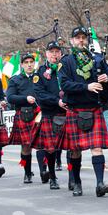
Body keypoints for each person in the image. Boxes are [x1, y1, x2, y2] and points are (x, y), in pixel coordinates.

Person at [58, 26, 108, 197]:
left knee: (97, 148)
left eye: (83, 37)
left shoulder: (97, 59)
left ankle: (100, 183)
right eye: (77, 38)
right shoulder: (66, 62)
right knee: (75, 150)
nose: (81, 40)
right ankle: (77, 182)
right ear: (72, 41)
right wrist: (86, 86)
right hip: (76, 109)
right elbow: (65, 84)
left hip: (94, 108)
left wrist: (107, 79)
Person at [31, 41, 67, 190]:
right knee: (51, 149)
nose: (54, 54)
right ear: (46, 54)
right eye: (51, 52)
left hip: (68, 112)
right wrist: (57, 101)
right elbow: (40, 94)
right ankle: (52, 176)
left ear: (61, 53)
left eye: (57, 52)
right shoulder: (40, 72)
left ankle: (73, 178)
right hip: (50, 113)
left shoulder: (66, 67)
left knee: (73, 148)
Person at [7, 53, 45, 184]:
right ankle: (27, 173)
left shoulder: (39, 77)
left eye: (31, 62)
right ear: (22, 65)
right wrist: (25, 98)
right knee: (26, 147)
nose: (29, 64)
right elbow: (10, 97)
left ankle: (43, 172)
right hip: (24, 115)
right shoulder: (15, 80)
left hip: (40, 114)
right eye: (26, 62)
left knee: (42, 145)